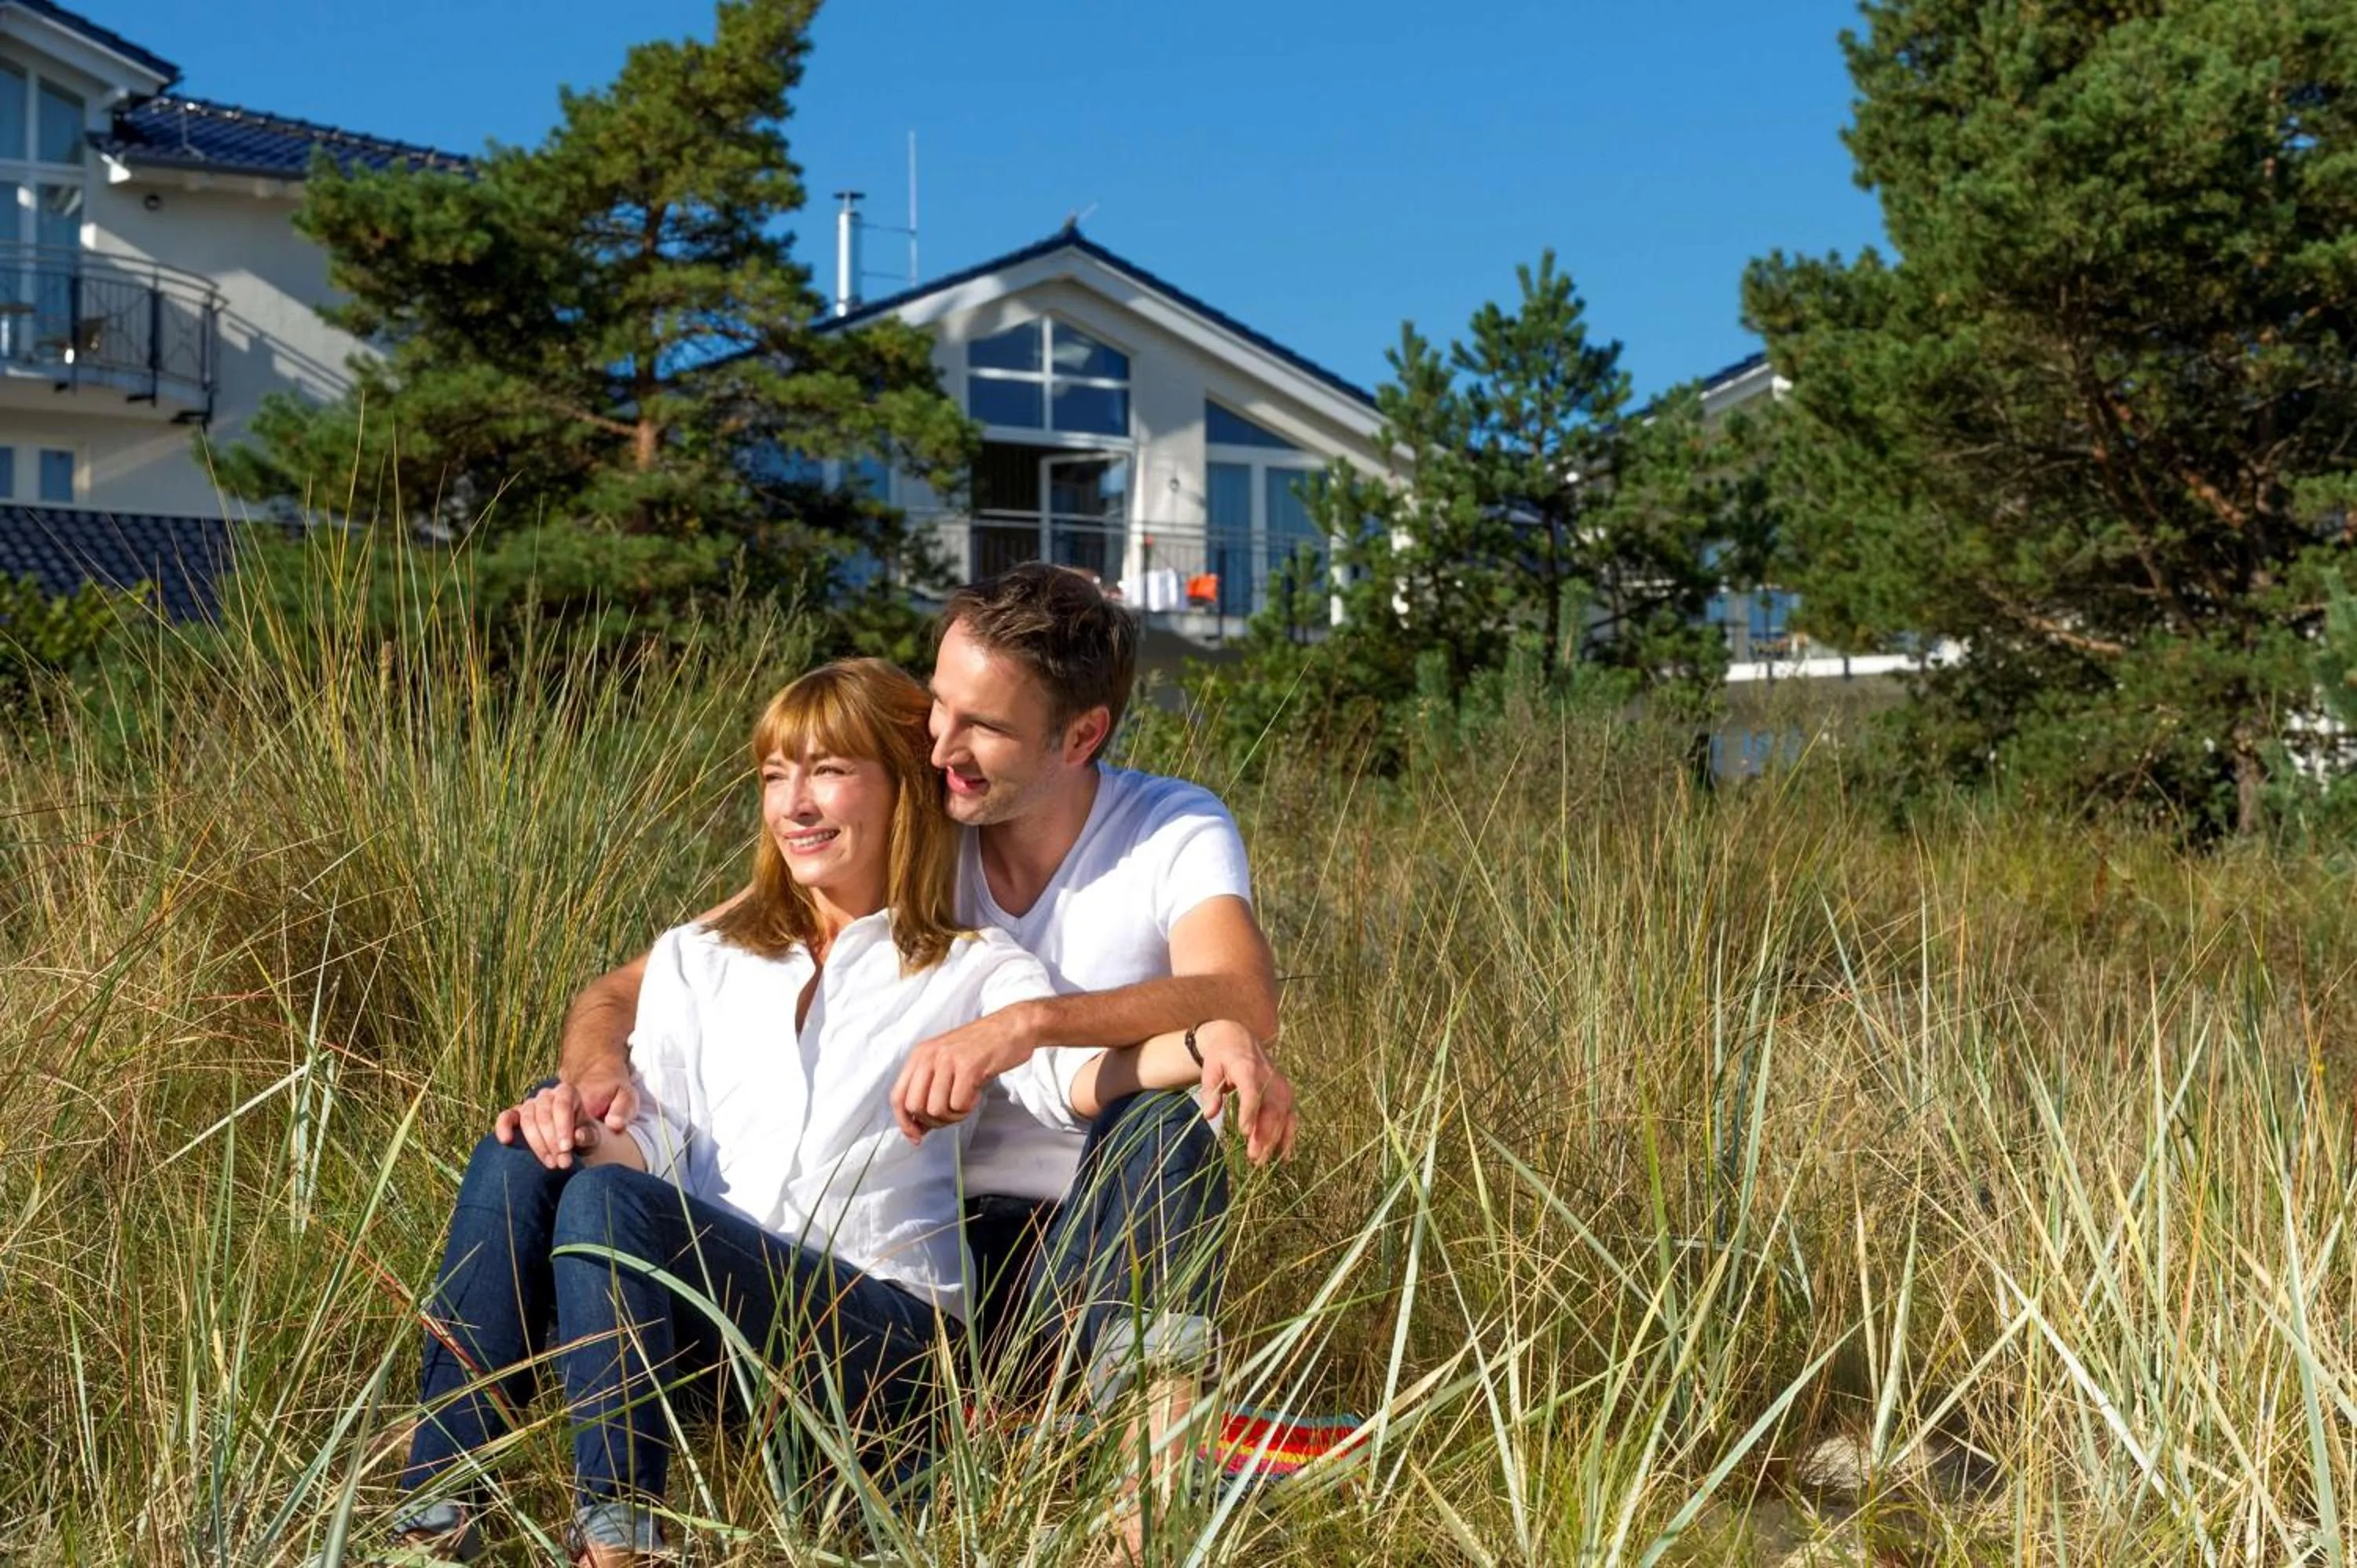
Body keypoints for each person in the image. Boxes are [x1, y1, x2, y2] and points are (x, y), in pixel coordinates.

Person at [504, 564, 1298, 1551]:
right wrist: (592, 1072)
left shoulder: (1168, 828)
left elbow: (1245, 995)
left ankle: (1145, 1489)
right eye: (939, 708)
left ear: (1082, 735)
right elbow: (635, 984)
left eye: (985, 727)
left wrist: (1031, 1024)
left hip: (1077, 1242)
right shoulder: (923, 822)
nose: (942, 749)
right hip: (919, 1243)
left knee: (1165, 1120)